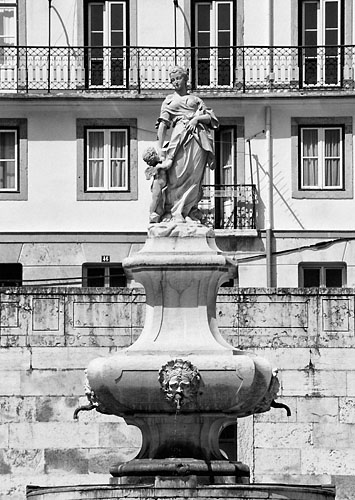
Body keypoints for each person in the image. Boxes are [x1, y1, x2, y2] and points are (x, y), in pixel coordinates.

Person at [155, 66, 219, 223]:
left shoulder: (196, 100)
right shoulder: (169, 100)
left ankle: (188, 212)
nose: (175, 82)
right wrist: (160, 149)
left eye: (178, 78)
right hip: (179, 139)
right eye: (172, 80)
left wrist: (196, 119)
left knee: (194, 177)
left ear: (185, 79)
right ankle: (173, 211)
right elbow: (163, 124)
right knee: (176, 176)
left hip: (197, 140)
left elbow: (210, 118)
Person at [142, 147, 171, 223]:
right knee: (156, 199)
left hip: (164, 185)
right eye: (148, 162)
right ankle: (152, 214)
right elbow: (148, 176)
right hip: (157, 185)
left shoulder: (161, 160)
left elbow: (167, 165)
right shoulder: (156, 166)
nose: (149, 163)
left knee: (162, 201)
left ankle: (160, 215)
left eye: (149, 161)